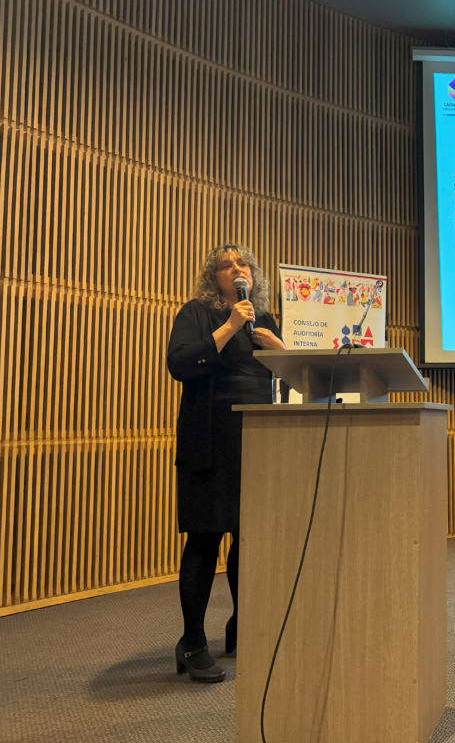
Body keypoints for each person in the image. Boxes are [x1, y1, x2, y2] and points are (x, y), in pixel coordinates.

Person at [166, 244, 286, 682]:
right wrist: (230, 325)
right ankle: (192, 642)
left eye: (243, 264)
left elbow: (289, 377)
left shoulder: (265, 319)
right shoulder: (198, 313)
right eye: (227, 266)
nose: (237, 269)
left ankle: (243, 622)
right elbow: (179, 364)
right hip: (211, 443)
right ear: (214, 278)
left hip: (257, 443)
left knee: (247, 539)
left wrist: (279, 349)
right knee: (204, 539)